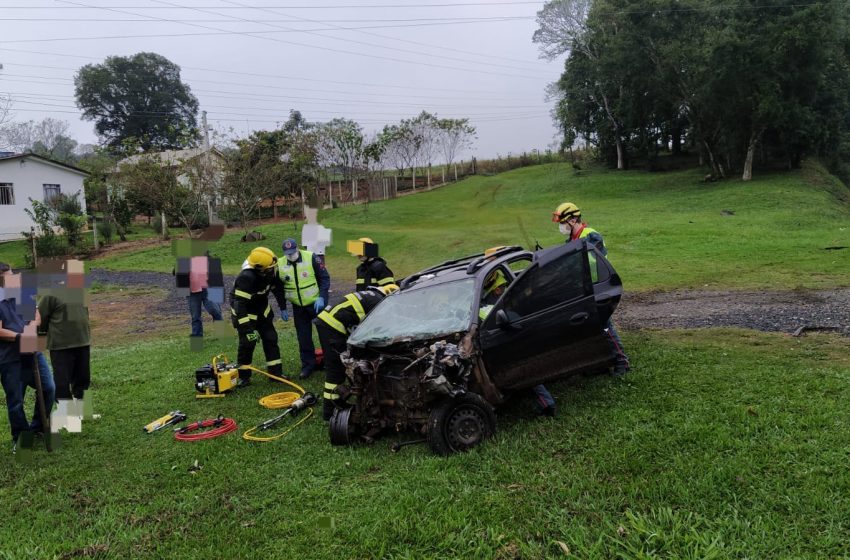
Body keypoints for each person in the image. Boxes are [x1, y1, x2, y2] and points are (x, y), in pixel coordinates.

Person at [553, 202, 630, 375]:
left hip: (598, 288)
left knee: (604, 325)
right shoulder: (571, 241)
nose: (561, 227)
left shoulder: (592, 236)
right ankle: (599, 363)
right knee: (589, 328)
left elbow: (591, 260)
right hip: (583, 291)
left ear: (572, 220)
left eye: (562, 223)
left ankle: (621, 361)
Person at [478, 252, 556, 417]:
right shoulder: (493, 285)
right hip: (511, 334)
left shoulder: (496, 296)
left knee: (524, 372)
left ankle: (547, 404)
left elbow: (494, 316)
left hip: (514, 338)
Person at [314, 284, 399, 420]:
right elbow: (376, 332)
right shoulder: (379, 303)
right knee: (335, 370)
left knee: (344, 364)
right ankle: (330, 412)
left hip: (328, 323)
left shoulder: (372, 296)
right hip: (332, 327)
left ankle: (342, 401)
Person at [0, 262, 55, 453]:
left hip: (32, 349)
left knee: (48, 388)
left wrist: (32, 327)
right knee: (15, 399)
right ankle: (21, 437)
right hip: (9, 356)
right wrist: (19, 337)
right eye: (7, 275)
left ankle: (38, 428)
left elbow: (36, 315)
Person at [229, 247, 287, 383]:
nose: (274, 268)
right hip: (245, 314)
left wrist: (283, 307)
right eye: (271, 267)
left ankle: (275, 374)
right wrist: (248, 330)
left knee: (271, 339)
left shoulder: (270, 270)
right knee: (247, 344)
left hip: (263, 312)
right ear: (261, 268)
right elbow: (239, 305)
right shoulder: (246, 278)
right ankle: (244, 377)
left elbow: (277, 289)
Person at [38, 259, 92, 403]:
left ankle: (81, 410)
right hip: (61, 345)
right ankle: (66, 415)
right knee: (62, 382)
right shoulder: (50, 295)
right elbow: (40, 319)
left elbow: (85, 314)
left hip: (82, 341)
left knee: (83, 378)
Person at [280, 238, 331, 380]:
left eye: (293, 252)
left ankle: (330, 362)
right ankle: (308, 365)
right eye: (288, 253)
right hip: (298, 306)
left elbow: (325, 278)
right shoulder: (281, 263)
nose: (291, 256)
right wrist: (283, 307)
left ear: (297, 249)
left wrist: (322, 297)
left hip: (316, 303)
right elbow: (279, 287)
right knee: (303, 336)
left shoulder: (311, 257)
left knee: (325, 333)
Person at [176, 250, 223, 339]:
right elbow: (176, 272)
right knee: (195, 316)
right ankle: (197, 336)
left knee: (214, 310)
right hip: (192, 292)